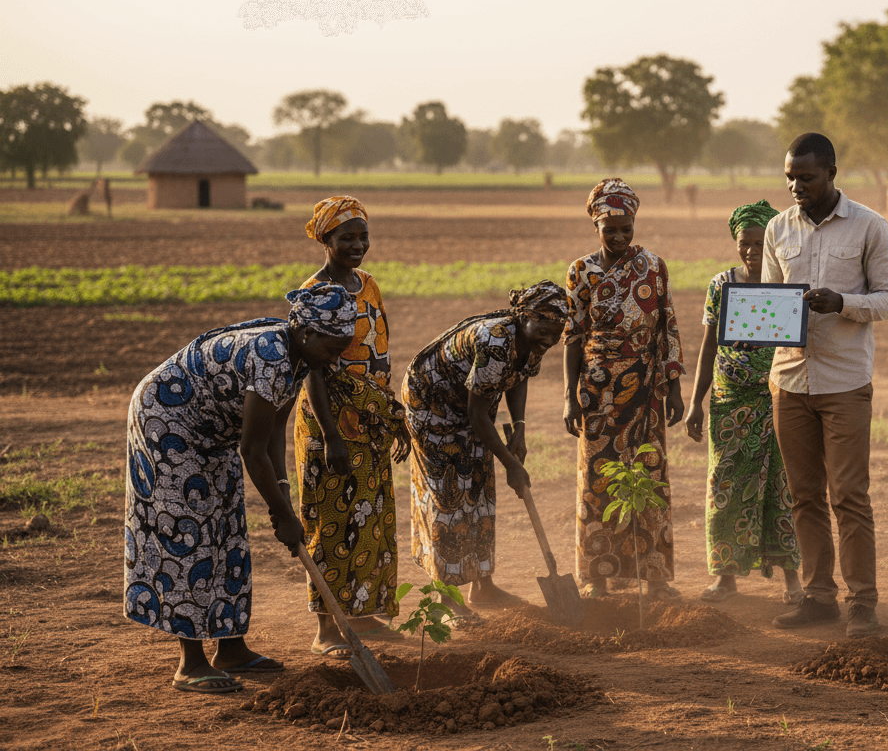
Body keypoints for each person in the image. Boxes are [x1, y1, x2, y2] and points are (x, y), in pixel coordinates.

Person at [124, 284, 356, 694]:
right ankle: (190, 663)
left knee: (228, 530)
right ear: (307, 332)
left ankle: (230, 648)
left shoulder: (302, 357)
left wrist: (282, 494)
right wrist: (282, 513)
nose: (335, 357)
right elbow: (251, 449)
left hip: (213, 431)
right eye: (333, 347)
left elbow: (274, 431)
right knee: (189, 535)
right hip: (168, 421)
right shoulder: (271, 356)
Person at [764, 133, 888, 638]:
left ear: (832, 173)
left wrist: (841, 302)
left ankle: (862, 602)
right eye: (789, 177)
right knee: (803, 496)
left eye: (806, 177)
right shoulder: (778, 229)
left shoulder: (870, 226)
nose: (795, 186)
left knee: (848, 496)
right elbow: (770, 303)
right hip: (789, 380)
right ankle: (818, 597)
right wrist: (757, 320)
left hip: (845, 382)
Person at [403, 282, 568, 623]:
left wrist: (519, 428)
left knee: (479, 488)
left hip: (468, 406)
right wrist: (511, 464)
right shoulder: (496, 341)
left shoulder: (533, 337)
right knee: (449, 496)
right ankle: (445, 598)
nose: (551, 341)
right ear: (524, 316)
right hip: (432, 407)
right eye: (545, 331)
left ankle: (483, 586)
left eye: (557, 334)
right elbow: (477, 416)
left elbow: (519, 376)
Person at [294, 196, 411, 659]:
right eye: (347, 238)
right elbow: (312, 371)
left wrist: (388, 411)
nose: (358, 245)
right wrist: (331, 435)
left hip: (370, 419)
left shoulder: (368, 286)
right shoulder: (314, 295)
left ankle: (361, 614)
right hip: (331, 423)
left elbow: (379, 353)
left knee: (370, 515)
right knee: (331, 517)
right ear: (325, 239)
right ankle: (326, 628)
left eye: (363, 236)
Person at [563, 178, 685, 600]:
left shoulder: (653, 266)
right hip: (597, 391)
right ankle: (595, 577)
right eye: (609, 228)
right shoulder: (581, 272)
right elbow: (574, 336)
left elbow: (667, 325)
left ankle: (656, 576)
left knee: (649, 476)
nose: (618, 236)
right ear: (595, 224)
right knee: (597, 480)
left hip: (647, 388)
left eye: (625, 228)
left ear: (635, 223)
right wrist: (569, 396)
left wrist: (674, 388)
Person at [685, 200, 802, 603]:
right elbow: (707, 347)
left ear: (770, 243)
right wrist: (694, 402)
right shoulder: (722, 285)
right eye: (744, 242)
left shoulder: (785, 284)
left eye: (758, 242)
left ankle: (792, 579)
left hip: (778, 397)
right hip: (728, 402)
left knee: (782, 486)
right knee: (726, 484)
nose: (751, 251)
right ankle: (726, 575)